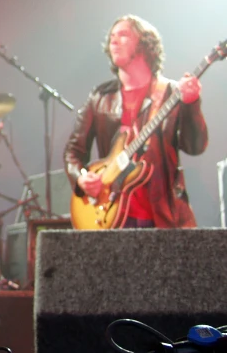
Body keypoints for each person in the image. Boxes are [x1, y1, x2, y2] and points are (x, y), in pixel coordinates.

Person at [64, 14, 208, 228]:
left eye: (123, 35)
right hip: (111, 216)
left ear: (145, 44)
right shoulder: (100, 97)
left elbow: (195, 146)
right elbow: (73, 152)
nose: (113, 41)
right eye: (112, 36)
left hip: (162, 219)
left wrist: (192, 104)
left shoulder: (169, 92)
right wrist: (82, 178)